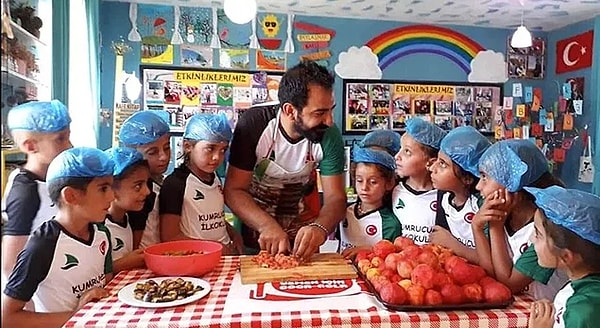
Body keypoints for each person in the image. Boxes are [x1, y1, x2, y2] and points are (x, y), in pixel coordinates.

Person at [224, 60, 346, 260]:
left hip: (303, 236)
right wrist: (266, 225)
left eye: (330, 109)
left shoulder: (329, 135)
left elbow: (336, 198)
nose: (330, 121)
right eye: (320, 113)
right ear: (290, 110)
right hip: (256, 231)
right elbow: (233, 190)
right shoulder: (255, 125)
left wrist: (319, 227)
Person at [1, 147, 115, 328]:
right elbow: (7, 318)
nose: (112, 196)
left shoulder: (102, 233)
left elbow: (106, 285)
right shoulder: (43, 245)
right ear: (70, 195)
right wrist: (77, 315)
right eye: (103, 188)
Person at [472, 139, 568, 300]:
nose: (478, 186)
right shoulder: (499, 211)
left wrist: (495, 228)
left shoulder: (546, 227)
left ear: (512, 182)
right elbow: (489, 274)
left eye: (484, 177)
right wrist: (477, 227)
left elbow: (508, 285)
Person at [1, 100, 72, 283]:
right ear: (30, 146)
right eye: (60, 139)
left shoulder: (55, 178)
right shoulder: (25, 192)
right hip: (37, 294)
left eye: (68, 136)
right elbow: (11, 263)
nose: (70, 145)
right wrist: (25, 307)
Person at [159, 114, 243, 254]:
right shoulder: (175, 184)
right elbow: (170, 237)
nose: (217, 157)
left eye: (223, 150)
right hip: (197, 259)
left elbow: (213, 217)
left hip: (224, 255)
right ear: (187, 146)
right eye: (210, 148)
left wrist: (233, 233)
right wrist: (213, 248)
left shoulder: (214, 177)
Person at [525, 186, 600, 328]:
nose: (532, 239)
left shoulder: (583, 312)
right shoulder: (578, 290)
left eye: (538, 234)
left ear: (566, 256)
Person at [429, 126, 490, 262]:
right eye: (436, 161)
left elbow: (490, 262)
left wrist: (453, 245)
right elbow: (439, 239)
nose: (433, 168)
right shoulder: (445, 197)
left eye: (443, 164)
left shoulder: (482, 204)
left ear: (467, 178)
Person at [119, 110, 171, 248]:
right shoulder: (142, 191)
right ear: (133, 154)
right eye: (153, 152)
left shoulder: (162, 181)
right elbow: (136, 241)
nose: (163, 157)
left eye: (166, 148)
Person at [392, 117, 446, 245]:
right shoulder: (393, 191)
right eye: (400, 149)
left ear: (430, 162)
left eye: (407, 152)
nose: (397, 156)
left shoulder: (444, 196)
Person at [340, 146, 400, 258]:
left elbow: (392, 258)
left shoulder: (390, 224)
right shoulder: (344, 212)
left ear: (389, 183)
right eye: (359, 180)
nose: (364, 187)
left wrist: (370, 250)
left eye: (373, 182)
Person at [104, 146, 150, 272]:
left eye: (146, 183)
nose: (147, 191)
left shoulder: (126, 218)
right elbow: (91, 275)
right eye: (138, 186)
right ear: (112, 189)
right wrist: (124, 263)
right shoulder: (98, 227)